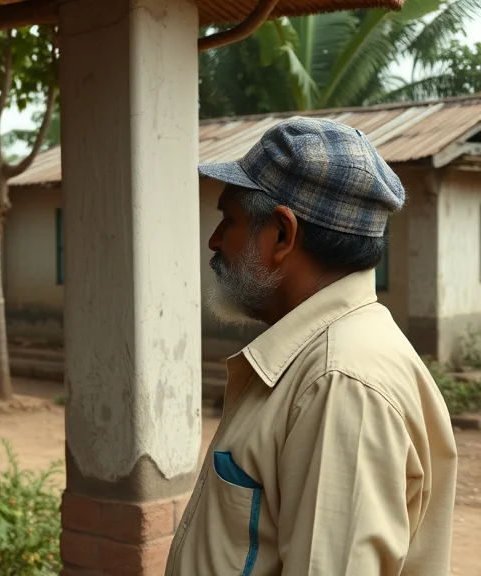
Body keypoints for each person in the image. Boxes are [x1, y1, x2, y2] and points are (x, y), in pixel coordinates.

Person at [165, 117, 457, 575]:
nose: (215, 240)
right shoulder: (323, 361)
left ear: (282, 234)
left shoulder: (339, 386)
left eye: (229, 219)